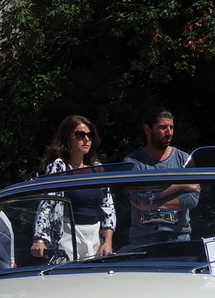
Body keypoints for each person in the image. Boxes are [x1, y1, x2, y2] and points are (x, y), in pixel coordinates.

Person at [30, 116, 115, 261]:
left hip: (94, 236)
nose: (86, 139)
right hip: (67, 235)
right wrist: (39, 238)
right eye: (80, 135)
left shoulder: (97, 168)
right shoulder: (59, 167)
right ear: (68, 138)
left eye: (90, 135)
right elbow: (47, 203)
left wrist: (107, 242)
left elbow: (108, 207)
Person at [123, 107, 200, 246]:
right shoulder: (133, 162)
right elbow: (139, 196)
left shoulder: (184, 160)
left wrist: (152, 206)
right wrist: (179, 186)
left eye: (171, 127)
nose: (169, 132)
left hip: (178, 235)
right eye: (163, 127)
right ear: (148, 129)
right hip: (143, 236)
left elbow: (192, 199)